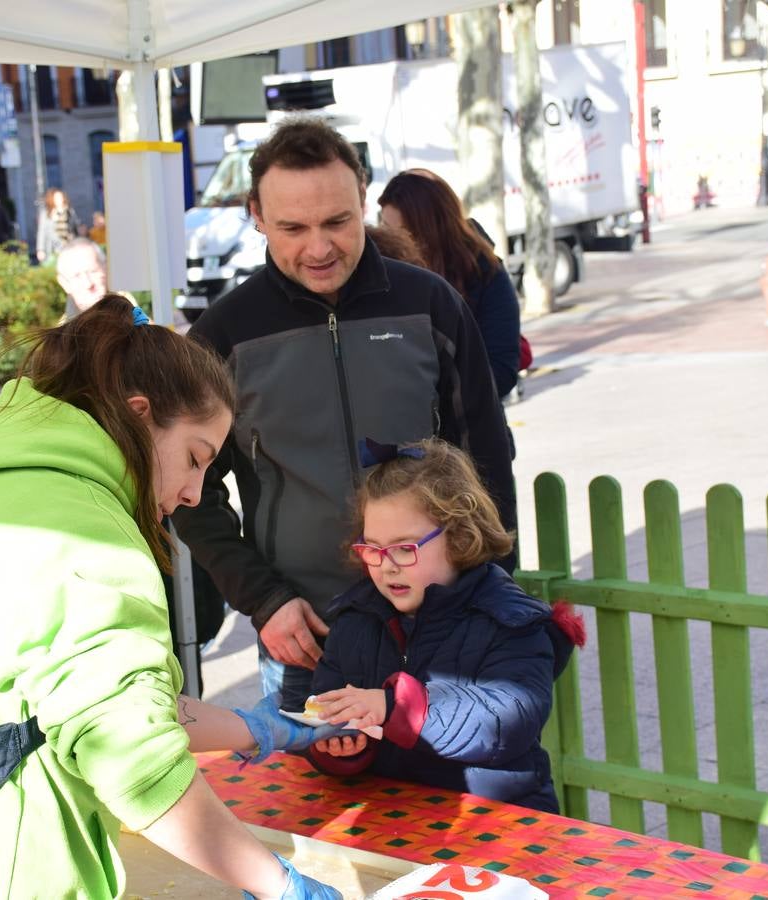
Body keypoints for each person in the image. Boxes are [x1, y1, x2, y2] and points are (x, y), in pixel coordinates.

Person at [0, 295, 342, 900]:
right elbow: (137, 765)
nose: (192, 493)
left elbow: (73, 709)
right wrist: (277, 884)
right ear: (138, 415)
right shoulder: (90, 540)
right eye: (195, 459)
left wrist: (253, 728)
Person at [171, 117, 517, 715]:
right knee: (321, 811)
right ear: (256, 213)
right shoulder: (223, 336)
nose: (319, 247)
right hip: (306, 637)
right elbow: (187, 493)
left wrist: (499, 596)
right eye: (292, 228)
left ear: (363, 198)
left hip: (441, 629)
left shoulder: (431, 306)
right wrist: (262, 599)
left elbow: (486, 460)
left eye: (337, 221)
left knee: (455, 805)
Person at [307, 438, 585, 813]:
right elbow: (328, 700)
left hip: (499, 822)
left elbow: (504, 720)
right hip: (393, 820)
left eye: (405, 548)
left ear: (458, 535)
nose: (387, 566)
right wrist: (341, 746)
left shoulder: (511, 621)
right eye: (372, 548)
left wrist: (393, 708)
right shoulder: (357, 618)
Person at [378, 169, 522, 399]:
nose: (387, 239)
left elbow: (501, 370)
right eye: (383, 226)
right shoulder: (383, 276)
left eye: (399, 233)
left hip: (470, 427)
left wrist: (432, 402)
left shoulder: (485, 273)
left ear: (427, 231)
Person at [56, 237, 109, 319]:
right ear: (65, 284)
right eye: (77, 276)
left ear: (105, 268)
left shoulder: (132, 311)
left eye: (93, 271)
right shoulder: (63, 331)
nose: (88, 284)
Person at [36, 187, 82, 263]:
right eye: (57, 198)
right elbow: (41, 232)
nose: (60, 199)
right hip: (52, 248)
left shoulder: (69, 211)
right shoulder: (46, 214)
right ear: (52, 199)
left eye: (61, 197)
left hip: (68, 247)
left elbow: (76, 227)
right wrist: (40, 249)